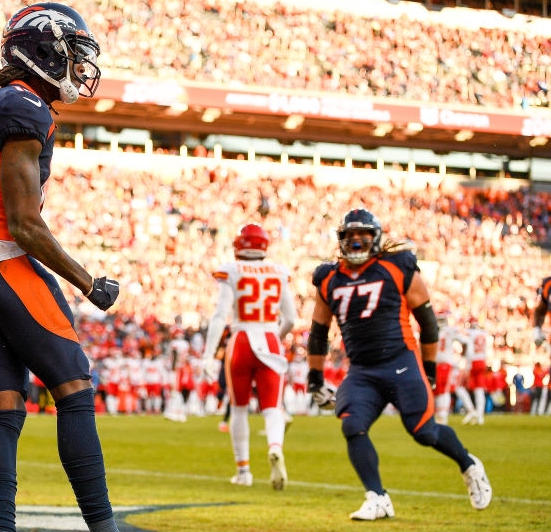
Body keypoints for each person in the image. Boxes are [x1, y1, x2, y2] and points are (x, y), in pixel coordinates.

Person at [0, 2, 119, 531]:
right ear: (43, 51)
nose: (79, 68)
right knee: (74, 388)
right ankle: (103, 526)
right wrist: (89, 282)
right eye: (71, 55)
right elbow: (24, 224)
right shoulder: (23, 106)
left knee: (6, 404)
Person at [307, 208, 492, 520]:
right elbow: (318, 332)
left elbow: (429, 324)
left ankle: (469, 464)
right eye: (349, 237)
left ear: (375, 237)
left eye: (361, 236)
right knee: (352, 424)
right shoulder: (328, 277)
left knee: (424, 432)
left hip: (400, 363)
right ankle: (377, 497)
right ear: (340, 240)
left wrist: (429, 370)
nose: (355, 242)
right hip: (362, 371)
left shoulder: (398, 266)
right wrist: (314, 379)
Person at [203, 223, 296, 490]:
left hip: (242, 339)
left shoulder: (232, 269)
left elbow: (221, 314)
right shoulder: (278, 271)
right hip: (269, 337)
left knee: (240, 408)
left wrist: (208, 355)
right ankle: (275, 446)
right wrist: (274, 339)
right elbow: (290, 318)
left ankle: (244, 471)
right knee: (272, 407)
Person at [458, 316, 491, 425]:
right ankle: (480, 416)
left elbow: (467, 348)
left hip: (473, 361)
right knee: (479, 390)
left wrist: (467, 365)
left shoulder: (469, 333)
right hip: (482, 361)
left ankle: (471, 410)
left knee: (461, 386)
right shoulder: (483, 333)